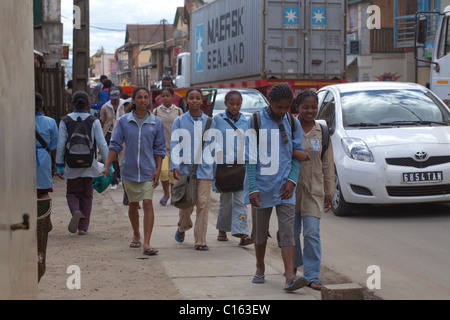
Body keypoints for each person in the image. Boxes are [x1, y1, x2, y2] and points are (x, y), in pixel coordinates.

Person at [245, 83, 307, 291]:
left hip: (285, 187)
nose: (282, 111)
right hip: (261, 187)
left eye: (286, 107)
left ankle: (290, 276)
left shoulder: (292, 122)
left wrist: (292, 180)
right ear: (269, 102)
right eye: (279, 107)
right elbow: (250, 157)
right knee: (260, 231)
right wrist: (252, 187)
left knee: (288, 230)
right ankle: (260, 266)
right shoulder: (255, 121)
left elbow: (297, 154)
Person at [100, 86, 166, 256]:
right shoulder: (123, 121)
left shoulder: (156, 122)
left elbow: (159, 150)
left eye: (146, 97)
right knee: (133, 204)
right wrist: (106, 166)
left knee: (147, 203)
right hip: (128, 169)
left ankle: (147, 242)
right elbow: (114, 145)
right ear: (134, 100)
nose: (143, 100)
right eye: (139, 97)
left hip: (148, 170)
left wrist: (158, 170)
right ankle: (136, 233)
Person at [293, 90, 335, 291]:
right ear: (297, 108)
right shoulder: (289, 129)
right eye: (305, 107)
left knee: (311, 233)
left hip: (314, 190)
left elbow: (327, 164)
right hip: (290, 190)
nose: (310, 111)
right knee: (290, 233)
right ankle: (292, 268)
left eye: (313, 107)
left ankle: (311, 275)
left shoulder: (323, 131)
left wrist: (329, 191)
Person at [55, 91, 112, 235]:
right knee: (87, 194)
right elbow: (102, 144)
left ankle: (76, 211)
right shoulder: (94, 121)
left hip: (71, 164)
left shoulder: (65, 121)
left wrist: (59, 166)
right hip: (89, 164)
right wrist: (107, 165)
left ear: (72, 104)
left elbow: (61, 144)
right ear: (88, 104)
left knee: (72, 192)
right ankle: (82, 227)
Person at [171, 88, 218, 251]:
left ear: (202, 101)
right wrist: (174, 165)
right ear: (186, 100)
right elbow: (175, 144)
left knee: (203, 205)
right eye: (191, 98)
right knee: (187, 204)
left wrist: (215, 170)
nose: (195, 101)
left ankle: (201, 241)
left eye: (198, 98)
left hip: (205, 170)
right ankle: (182, 227)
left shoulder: (210, 122)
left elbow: (213, 147)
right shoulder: (179, 121)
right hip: (185, 170)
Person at [212, 90, 252, 246]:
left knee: (241, 201)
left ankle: (242, 233)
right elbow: (212, 141)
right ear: (226, 103)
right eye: (232, 103)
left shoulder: (246, 121)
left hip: (241, 167)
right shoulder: (217, 120)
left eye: (238, 104)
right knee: (226, 200)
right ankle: (222, 229)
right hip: (223, 168)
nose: (235, 107)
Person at [153, 87, 183, 206]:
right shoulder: (156, 112)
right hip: (161, 147)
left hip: (176, 147)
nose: (165, 98)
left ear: (172, 97)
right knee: (164, 172)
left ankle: (174, 194)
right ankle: (166, 193)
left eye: (167, 96)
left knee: (173, 174)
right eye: (163, 96)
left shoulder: (179, 111)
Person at [99, 86, 126, 189]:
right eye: (113, 97)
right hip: (109, 134)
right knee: (111, 156)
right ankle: (114, 180)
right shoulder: (105, 107)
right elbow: (102, 121)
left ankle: (120, 176)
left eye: (116, 97)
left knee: (121, 156)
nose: (115, 100)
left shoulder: (125, 105)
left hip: (123, 134)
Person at [35, 93, 59, 200]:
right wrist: (58, 165)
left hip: (22, 158)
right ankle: (44, 216)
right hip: (43, 159)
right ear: (41, 105)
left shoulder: (19, 122)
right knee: (43, 192)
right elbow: (55, 147)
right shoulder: (50, 122)